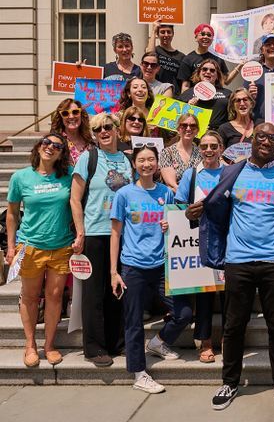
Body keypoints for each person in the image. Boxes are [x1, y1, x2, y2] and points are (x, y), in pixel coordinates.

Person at [190, 122, 274, 409]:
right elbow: (216, 208)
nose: (267, 141)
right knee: (233, 325)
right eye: (262, 136)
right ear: (253, 139)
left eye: (273, 138)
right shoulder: (233, 171)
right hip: (238, 260)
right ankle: (229, 383)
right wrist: (198, 213)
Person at [110, 145, 184, 394]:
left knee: (183, 313)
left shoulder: (166, 193)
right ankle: (139, 373)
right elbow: (115, 233)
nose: (147, 164)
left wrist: (169, 224)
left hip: (162, 266)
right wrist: (114, 271)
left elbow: (176, 226)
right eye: (141, 160)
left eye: (151, 159)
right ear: (134, 164)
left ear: (157, 163)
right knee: (133, 323)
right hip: (133, 267)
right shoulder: (124, 194)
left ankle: (158, 342)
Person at [70, 113, 133, 367]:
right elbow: (75, 199)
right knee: (94, 292)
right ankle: (95, 348)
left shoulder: (128, 159)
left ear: (117, 130)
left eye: (108, 127)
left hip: (124, 234)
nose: (104, 132)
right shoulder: (89, 158)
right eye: (98, 129)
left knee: (118, 289)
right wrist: (80, 232)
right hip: (96, 232)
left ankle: (117, 342)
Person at [5, 133, 73, 368]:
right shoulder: (20, 177)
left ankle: (49, 345)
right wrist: (11, 247)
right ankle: (30, 344)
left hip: (61, 246)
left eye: (57, 146)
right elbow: (12, 214)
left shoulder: (68, 176)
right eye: (46, 142)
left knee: (54, 297)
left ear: (62, 153)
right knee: (31, 297)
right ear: (38, 146)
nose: (50, 147)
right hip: (30, 246)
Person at [174, 131, 226, 364]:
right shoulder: (191, 174)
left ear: (221, 148)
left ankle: (228, 339)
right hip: (199, 240)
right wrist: (187, 211)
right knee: (204, 294)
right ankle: (205, 342)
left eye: (213, 146)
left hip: (227, 240)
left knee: (229, 295)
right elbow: (178, 206)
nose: (208, 150)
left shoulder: (230, 173)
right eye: (204, 146)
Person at [178, 24, 236, 94]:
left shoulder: (217, 58)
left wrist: (240, 66)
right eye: (202, 34)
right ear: (196, 37)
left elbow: (226, 81)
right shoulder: (188, 59)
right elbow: (185, 86)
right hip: (195, 99)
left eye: (209, 35)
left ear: (212, 39)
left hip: (216, 99)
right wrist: (186, 102)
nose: (206, 37)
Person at [178, 59, 232, 130]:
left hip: (218, 134)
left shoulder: (227, 93)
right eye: (204, 69)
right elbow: (177, 118)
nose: (208, 72)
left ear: (217, 75)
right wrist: (188, 108)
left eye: (212, 70)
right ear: (199, 73)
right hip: (195, 134)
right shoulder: (187, 94)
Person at [247, 34, 274, 124]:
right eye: (268, 44)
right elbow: (244, 102)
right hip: (259, 123)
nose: (272, 46)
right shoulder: (253, 73)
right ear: (262, 50)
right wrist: (250, 97)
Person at [159, 113, 202, 191]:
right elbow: (171, 184)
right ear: (178, 129)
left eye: (193, 126)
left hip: (199, 196)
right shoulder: (167, 152)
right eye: (184, 125)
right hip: (176, 197)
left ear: (197, 130)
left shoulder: (201, 153)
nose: (188, 128)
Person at [50, 98, 93, 165]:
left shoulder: (89, 140)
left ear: (81, 115)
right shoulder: (55, 142)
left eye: (75, 112)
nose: (71, 116)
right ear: (61, 118)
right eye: (65, 113)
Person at [146, 21, 185, 93]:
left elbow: (183, 81)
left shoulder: (181, 56)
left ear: (173, 34)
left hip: (174, 95)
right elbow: (149, 55)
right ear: (158, 34)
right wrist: (154, 31)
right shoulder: (156, 51)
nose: (166, 35)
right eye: (162, 32)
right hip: (156, 91)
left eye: (169, 32)